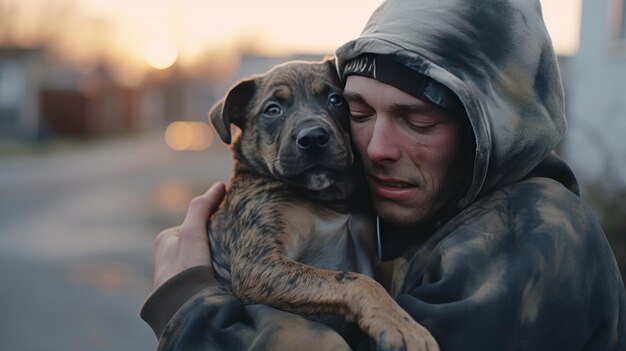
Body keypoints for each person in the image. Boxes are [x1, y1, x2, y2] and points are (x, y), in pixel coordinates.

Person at [140, 0, 626, 349]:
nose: (376, 148)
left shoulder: (533, 230)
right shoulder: (423, 210)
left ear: (492, 131)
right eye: (358, 111)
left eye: (419, 121)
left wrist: (189, 307)